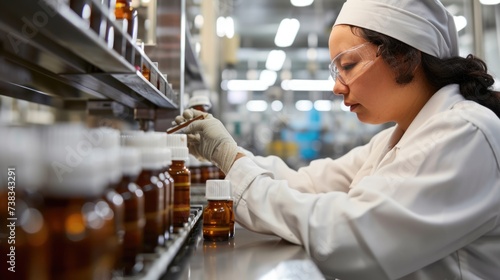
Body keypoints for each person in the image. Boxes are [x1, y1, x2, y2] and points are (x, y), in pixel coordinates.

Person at [175, 0, 500, 279]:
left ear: (405, 58)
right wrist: (226, 154)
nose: (337, 87)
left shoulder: (466, 132)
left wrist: (231, 159)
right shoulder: (396, 138)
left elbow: (348, 236)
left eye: (348, 65)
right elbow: (306, 185)